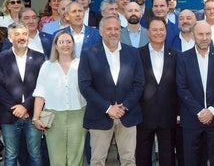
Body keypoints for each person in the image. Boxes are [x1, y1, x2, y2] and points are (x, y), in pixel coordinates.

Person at [78, 15, 144, 166]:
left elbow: (139, 83)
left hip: (127, 114)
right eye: (109, 29)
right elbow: (85, 86)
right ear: (101, 31)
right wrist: (108, 108)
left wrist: (124, 106)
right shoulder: (89, 54)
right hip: (100, 115)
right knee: (97, 160)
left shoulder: (132, 53)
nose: (113, 32)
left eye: (116, 29)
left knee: (128, 160)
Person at [177, 20, 214, 166]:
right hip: (192, 119)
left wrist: (211, 111)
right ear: (193, 35)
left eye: (208, 34)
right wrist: (200, 112)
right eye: (200, 34)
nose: (204, 37)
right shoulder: (183, 58)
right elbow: (182, 87)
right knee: (191, 160)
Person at [32, 30, 86, 166]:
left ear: (73, 44)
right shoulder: (47, 66)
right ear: (55, 45)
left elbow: (89, 91)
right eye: (61, 42)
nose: (65, 45)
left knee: (76, 157)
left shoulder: (82, 64)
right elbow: (40, 93)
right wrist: (36, 117)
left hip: (78, 114)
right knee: (57, 159)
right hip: (54, 116)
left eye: (69, 41)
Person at [0, 22, 45, 165]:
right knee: (11, 155)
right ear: (9, 37)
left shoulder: (39, 58)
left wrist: (25, 106)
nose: (21, 37)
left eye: (24, 34)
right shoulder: (1, 58)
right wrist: (16, 108)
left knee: (35, 154)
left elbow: (42, 86)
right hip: (8, 115)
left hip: (33, 114)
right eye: (17, 34)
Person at [136, 16, 179, 166]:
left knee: (168, 157)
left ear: (166, 32)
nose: (158, 33)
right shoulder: (137, 54)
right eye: (154, 29)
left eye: (161, 29)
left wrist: (178, 113)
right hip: (143, 115)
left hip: (168, 115)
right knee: (142, 155)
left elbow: (178, 86)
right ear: (148, 32)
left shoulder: (175, 55)